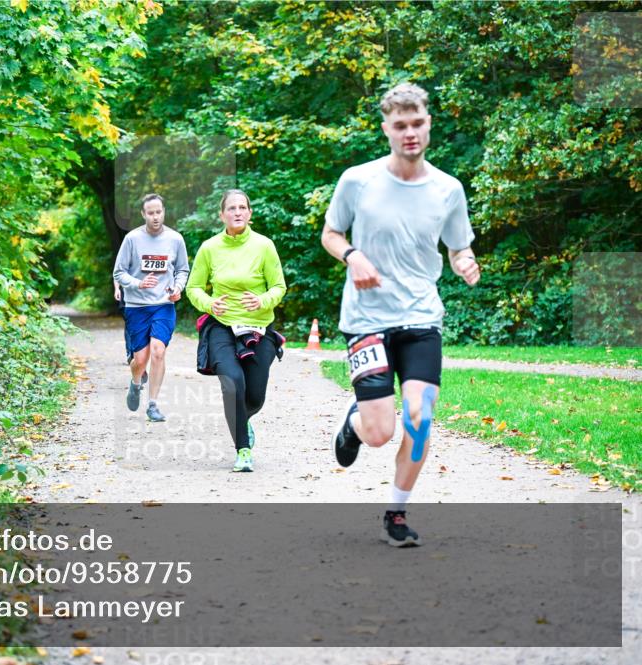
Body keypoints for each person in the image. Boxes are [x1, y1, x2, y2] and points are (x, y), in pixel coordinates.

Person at [321, 83, 481, 547]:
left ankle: (396, 512)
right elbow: (331, 233)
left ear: (428, 123)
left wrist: (464, 262)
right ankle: (355, 422)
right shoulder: (358, 180)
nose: (410, 133)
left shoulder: (448, 189)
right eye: (400, 125)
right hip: (366, 319)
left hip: (420, 318)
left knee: (420, 418)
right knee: (378, 433)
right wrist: (352, 255)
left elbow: (458, 245)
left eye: (417, 124)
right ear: (386, 128)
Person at [186, 189, 286, 473]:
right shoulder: (209, 248)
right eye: (232, 208)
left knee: (254, 396)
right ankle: (243, 450)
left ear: (250, 213)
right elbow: (193, 288)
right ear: (222, 215)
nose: (238, 212)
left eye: (243, 207)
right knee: (232, 382)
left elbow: (279, 287)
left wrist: (262, 300)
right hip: (221, 326)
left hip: (258, 327)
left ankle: (243, 418)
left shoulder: (264, 246)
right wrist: (209, 303)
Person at [113, 194, 189, 422]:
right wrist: (138, 283)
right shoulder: (132, 239)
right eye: (151, 213)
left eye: (159, 212)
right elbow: (119, 272)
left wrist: (178, 287)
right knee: (140, 360)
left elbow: (182, 270)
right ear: (143, 214)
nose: (155, 217)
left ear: (164, 212)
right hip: (137, 306)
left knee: (158, 351)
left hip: (163, 305)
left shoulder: (175, 239)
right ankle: (136, 383)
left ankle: (153, 404)